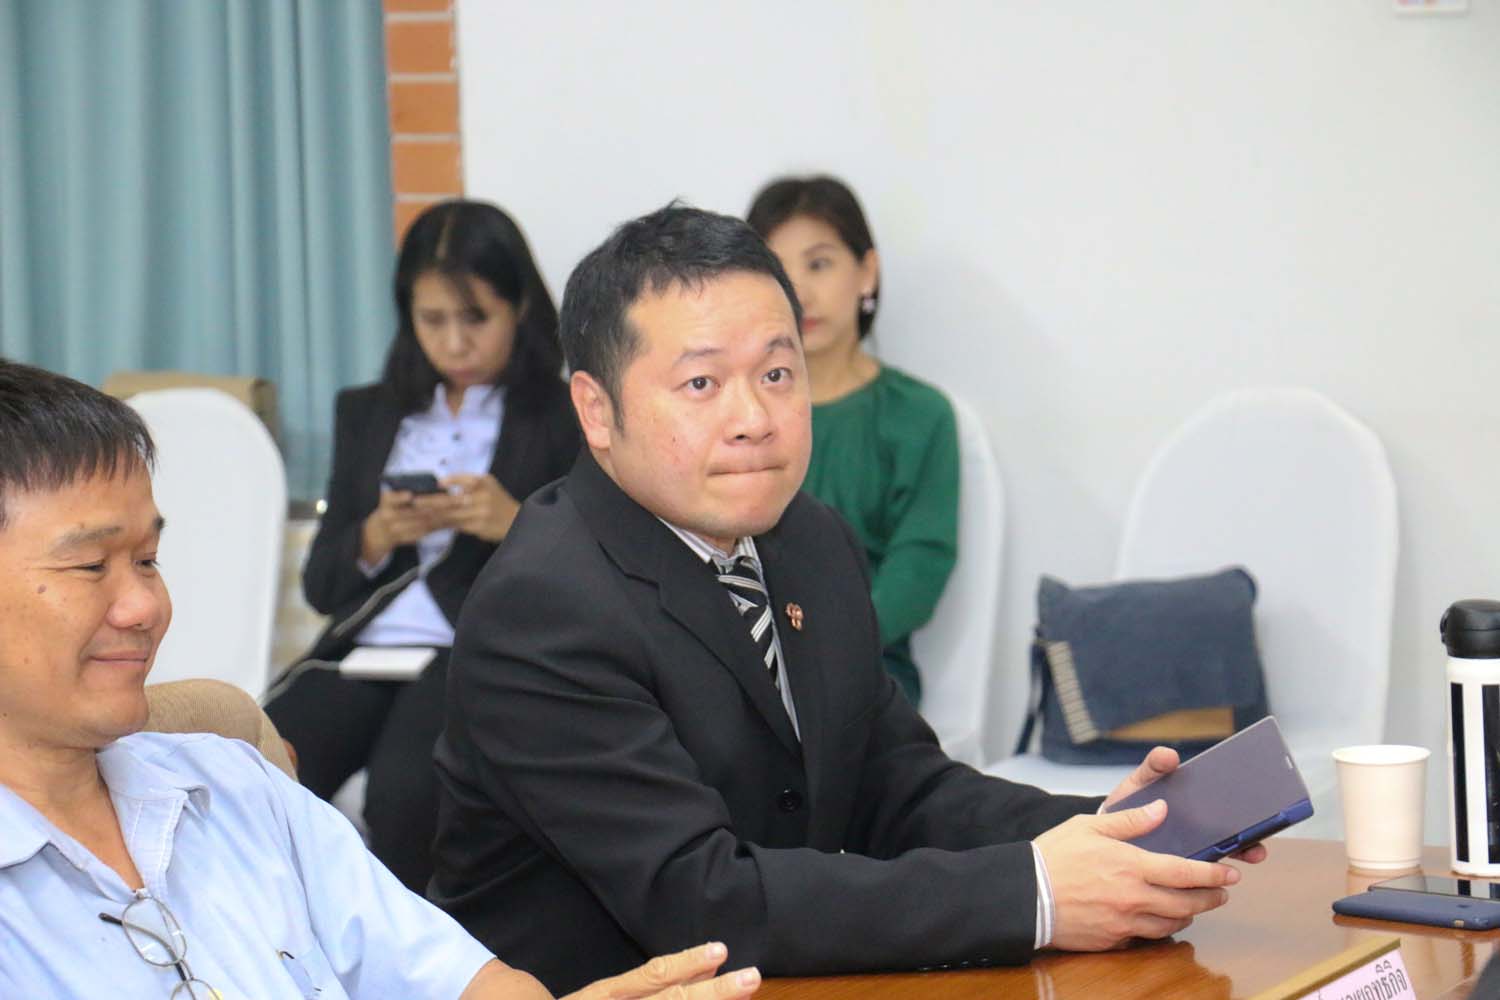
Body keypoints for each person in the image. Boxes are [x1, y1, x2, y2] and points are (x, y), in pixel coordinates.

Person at [429, 204, 1265, 993]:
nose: (755, 418)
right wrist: (1038, 891)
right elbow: (704, 900)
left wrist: (1106, 831)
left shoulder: (808, 539)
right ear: (596, 410)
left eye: (777, 372)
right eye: (702, 384)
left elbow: (894, 785)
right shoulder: (543, 603)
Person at [0, 358, 759, 1000]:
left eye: (148, 560)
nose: (145, 607)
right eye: (90, 565)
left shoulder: (233, 789)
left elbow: (470, 983)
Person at [265, 200, 581, 891]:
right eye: (432, 320)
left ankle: (425, 950)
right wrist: (378, 534)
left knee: (408, 796)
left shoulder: (562, 415)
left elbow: (592, 574)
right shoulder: (369, 411)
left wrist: (515, 522)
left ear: (521, 307)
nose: (455, 343)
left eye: (476, 319)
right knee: (261, 764)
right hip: (364, 648)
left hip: (473, 648)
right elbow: (321, 586)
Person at [746, 175, 958, 707]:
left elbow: (919, 567)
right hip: (739, 662)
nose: (799, 292)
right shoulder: (736, 412)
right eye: (778, 270)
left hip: (866, 667)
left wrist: (826, 646)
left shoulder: (919, 415)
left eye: (819, 264)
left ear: (867, 272)